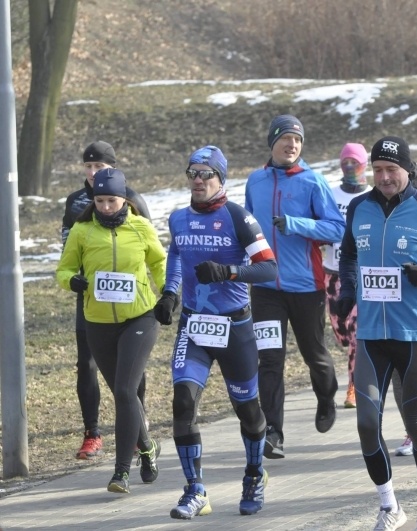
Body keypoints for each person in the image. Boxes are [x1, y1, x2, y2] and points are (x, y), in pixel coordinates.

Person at [335, 135, 417, 531]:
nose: (384, 177)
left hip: (414, 334)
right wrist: (347, 291)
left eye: (391, 169)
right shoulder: (359, 207)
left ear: (407, 170)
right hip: (371, 334)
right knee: (365, 424)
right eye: (377, 170)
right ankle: (389, 506)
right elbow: (348, 255)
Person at [155, 146, 278, 519]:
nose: (198, 180)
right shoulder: (178, 219)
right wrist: (170, 293)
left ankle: (254, 474)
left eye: (206, 173)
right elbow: (177, 255)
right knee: (183, 402)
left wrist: (229, 272)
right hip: (194, 325)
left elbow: (269, 269)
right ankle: (195, 490)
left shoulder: (238, 218)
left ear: (221, 179)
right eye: (192, 172)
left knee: (248, 411)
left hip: (234, 327)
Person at [56, 168, 164, 494]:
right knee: (123, 394)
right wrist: (73, 281)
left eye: (111, 201)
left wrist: (169, 294)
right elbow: (64, 269)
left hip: (140, 318)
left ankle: (121, 473)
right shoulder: (82, 231)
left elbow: (160, 264)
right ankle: (147, 447)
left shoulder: (141, 227)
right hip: (98, 323)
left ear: (124, 199)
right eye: (100, 200)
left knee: (126, 390)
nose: (105, 206)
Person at [245, 114, 345, 459]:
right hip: (265, 287)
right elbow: (247, 227)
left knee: (314, 354)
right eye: (286, 138)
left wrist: (296, 224)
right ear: (272, 142)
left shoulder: (312, 182)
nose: (292, 145)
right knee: (269, 359)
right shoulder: (255, 181)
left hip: (305, 286)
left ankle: (326, 396)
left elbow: (337, 228)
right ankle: (273, 432)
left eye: (298, 140)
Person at [62, 141, 150, 460]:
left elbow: (148, 247)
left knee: (130, 367)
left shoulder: (132, 198)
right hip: (90, 296)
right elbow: (66, 249)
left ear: (113, 167)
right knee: (86, 364)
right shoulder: (75, 202)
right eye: (88, 166)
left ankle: (139, 428)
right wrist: (74, 278)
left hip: (129, 302)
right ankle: (92, 434)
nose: (92, 172)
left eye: (99, 166)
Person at [322, 142, 372, 409]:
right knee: (342, 334)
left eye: (356, 162)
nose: (351, 167)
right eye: (346, 163)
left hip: (359, 275)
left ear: (365, 165)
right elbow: (320, 227)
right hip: (332, 274)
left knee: (356, 333)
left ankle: (354, 387)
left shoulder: (373, 196)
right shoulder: (330, 195)